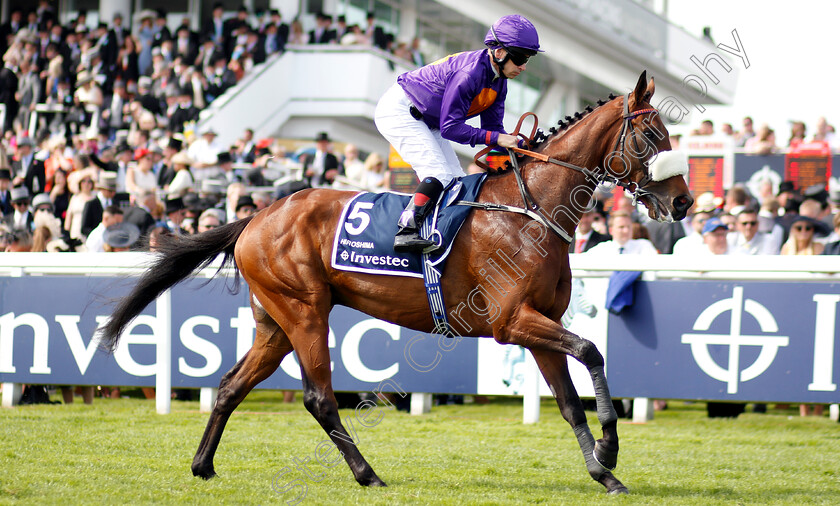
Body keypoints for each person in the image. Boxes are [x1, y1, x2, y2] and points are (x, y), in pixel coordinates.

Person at [374, 15, 541, 252]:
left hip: (429, 120)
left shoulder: (499, 82)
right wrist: (498, 139)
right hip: (401, 110)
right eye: (521, 58)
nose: (524, 66)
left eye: (528, 59)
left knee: (458, 183)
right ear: (500, 53)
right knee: (439, 175)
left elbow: (493, 132)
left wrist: (523, 153)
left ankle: (439, 233)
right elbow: (451, 128)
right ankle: (406, 231)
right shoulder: (470, 73)